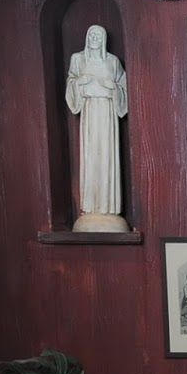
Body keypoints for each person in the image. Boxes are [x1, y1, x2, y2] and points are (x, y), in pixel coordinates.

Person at [64, 25, 129, 232]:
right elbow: (71, 83)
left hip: (108, 116)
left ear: (104, 40)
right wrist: (79, 84)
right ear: (86, 37)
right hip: (90, 114)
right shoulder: (78, 59)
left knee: (107, 157)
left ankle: (109, 207)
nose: (94, 38)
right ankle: (91, 207)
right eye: (91, 34)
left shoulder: (112, 61)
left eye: (97, 35)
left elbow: (123, 85)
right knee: (91, 156)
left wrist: (114, 89)